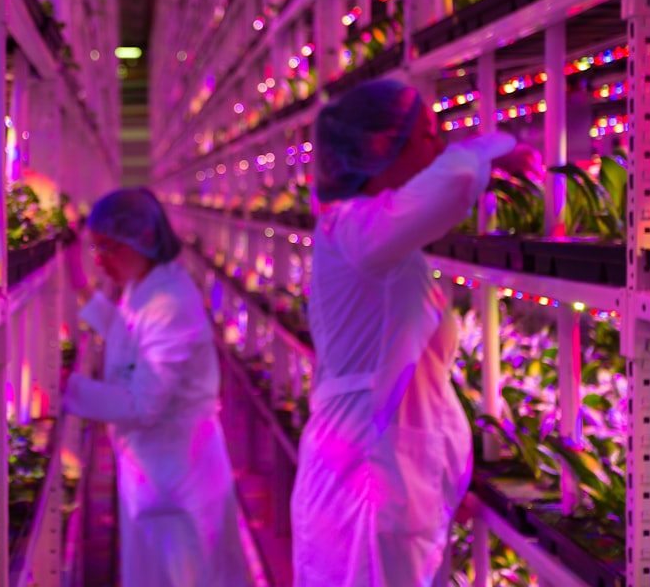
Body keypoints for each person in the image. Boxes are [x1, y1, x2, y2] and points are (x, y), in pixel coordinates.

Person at [290, 79, 541, 586]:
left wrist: (448, 481)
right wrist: (494, 148)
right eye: (428, 133)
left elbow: (414, 382)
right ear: (381, 148)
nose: (438, 145)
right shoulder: (357, 232)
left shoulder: (377, 246)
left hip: (379, 482)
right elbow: (444, 187)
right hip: (365, 486)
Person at [63, 187, 249, 587]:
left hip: (177, 480)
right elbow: (127, 337)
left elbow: (142, 404)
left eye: (108, 248)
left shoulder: (170, 302)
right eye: (94, 250)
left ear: (143, 238)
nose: (100, 261)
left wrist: (67, 387)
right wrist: (80, 286)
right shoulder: (145, 284)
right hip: (158, 471)